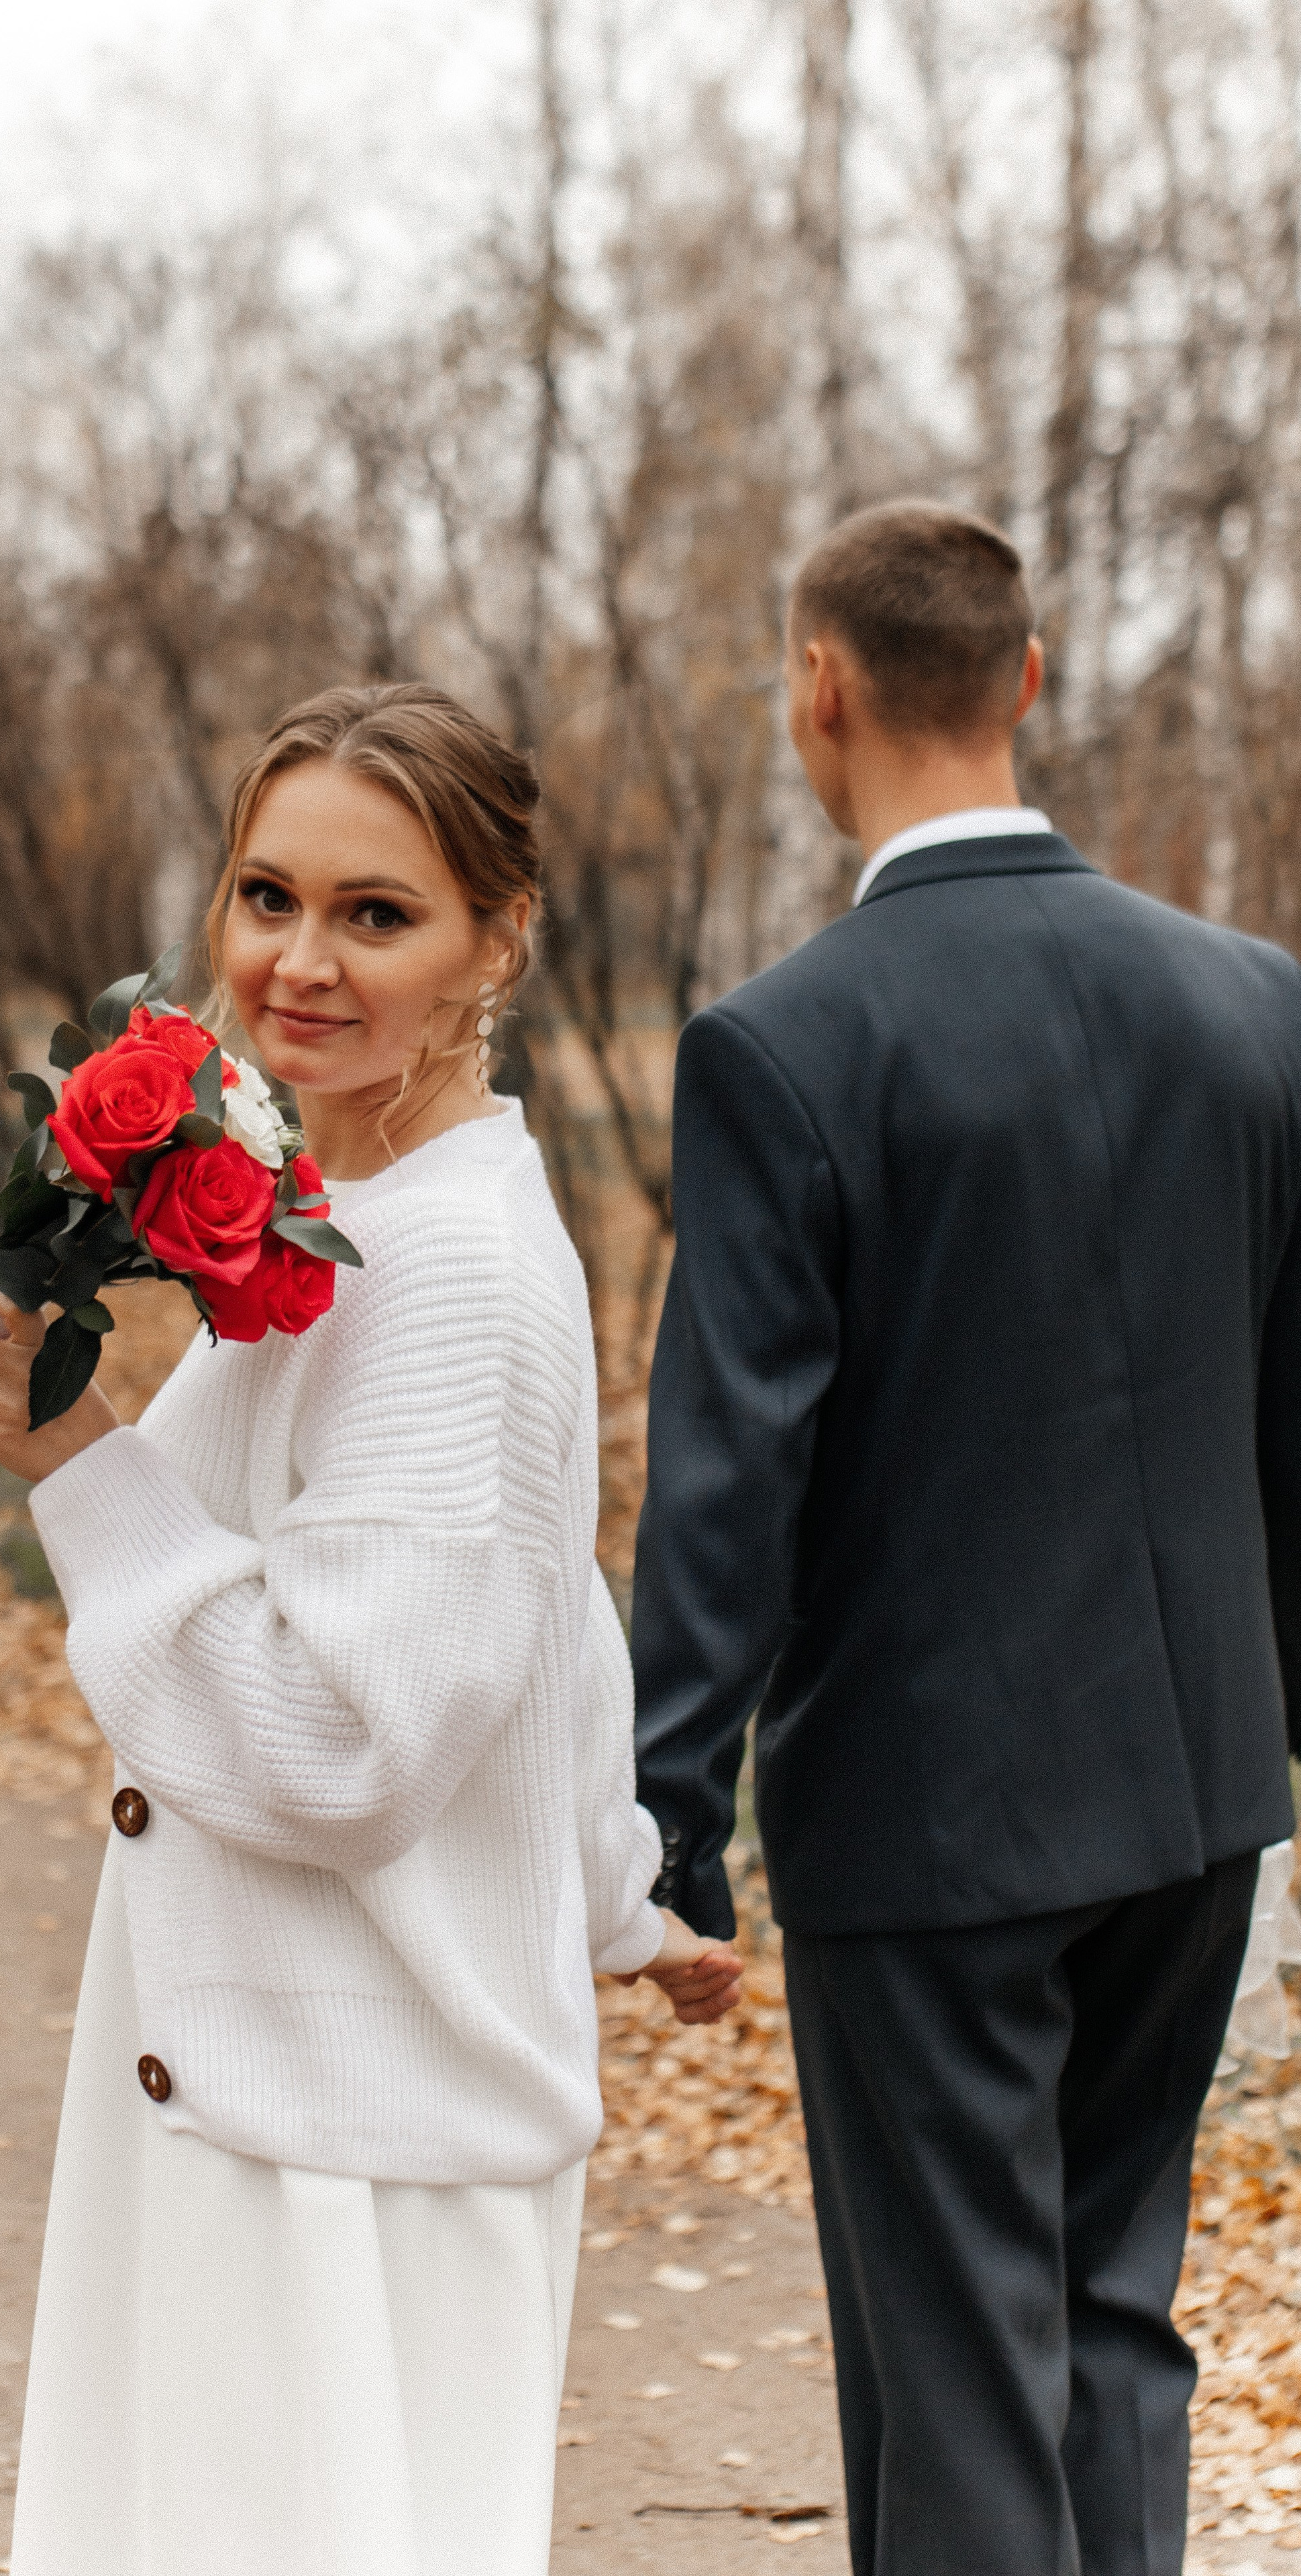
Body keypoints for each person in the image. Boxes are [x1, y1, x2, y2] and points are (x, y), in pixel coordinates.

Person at [0, 680, 740, 2576]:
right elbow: (538, 1619)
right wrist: (617, 1898)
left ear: (496, 939)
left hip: (347, 2139)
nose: (300, 961)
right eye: (269, 896)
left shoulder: (448, 1272)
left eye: (377, 913)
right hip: (283, 2083)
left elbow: (346, 1744)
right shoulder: (364, 1213)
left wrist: (73, 1457)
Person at [631, 502, 1301, 2575]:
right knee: (1110, 2324)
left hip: (929, 1825)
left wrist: (669, 1819)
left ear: (817, 688)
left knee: (959, 2365)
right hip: (1198, 1795)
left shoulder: (785, 1044)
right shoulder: (1259, 1004)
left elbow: (732, 1472)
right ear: (1027, 675)